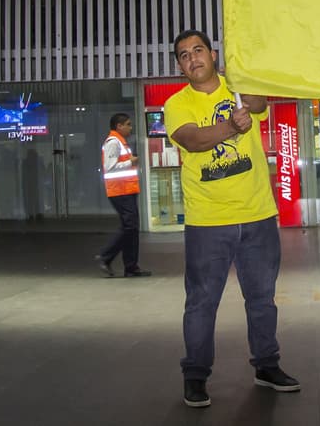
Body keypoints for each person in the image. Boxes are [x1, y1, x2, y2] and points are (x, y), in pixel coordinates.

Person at [164, 29, 298, 408]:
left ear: (213, 54)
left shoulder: (236, 87)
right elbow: (192, 139)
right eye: (184, 55)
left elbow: (257, 103)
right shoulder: (177, 104)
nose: (192, 58)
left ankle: (267, 365)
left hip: (257, 214)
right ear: (179, 65)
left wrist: (241, 78)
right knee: (202, 302)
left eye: (198, 50)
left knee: (262, 299)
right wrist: (230, 126)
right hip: (208, 221)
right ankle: (195, 376)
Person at [97, 112, 149, 278]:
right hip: (119, 191)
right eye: (128, 124)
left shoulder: (121, 142)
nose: (130, 127)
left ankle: (131, 266)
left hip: (126, 190)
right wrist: (131, 162)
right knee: (129, 226)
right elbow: (110, 166)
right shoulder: (113, 142)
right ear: (119, 126)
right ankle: (106, 256)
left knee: (132, 228)